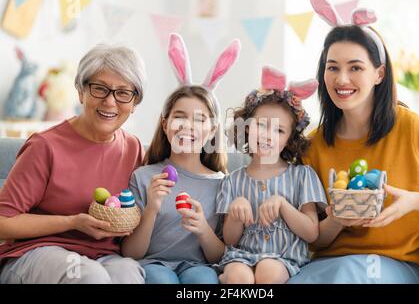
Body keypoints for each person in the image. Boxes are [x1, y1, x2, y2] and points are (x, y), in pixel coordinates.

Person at [288, 0, 419, 284]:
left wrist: (413, 201)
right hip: (327, 266)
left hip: (396, 265)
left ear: (379, 73)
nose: (342, 79)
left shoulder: (412, 129)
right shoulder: (312, 146)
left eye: (356, 67)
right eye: (333, 67)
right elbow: (314, 241)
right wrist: (337, 219)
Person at [0, 44, 148, 284]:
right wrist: (72, 222)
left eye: (123, 93)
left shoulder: (134, 149)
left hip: (104, 255)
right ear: (81, 92)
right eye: (100, 89)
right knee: (89, 276)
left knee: (128, 274)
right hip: (37, 252)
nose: (110, 102)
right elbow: (3, 221)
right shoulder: (45, 146)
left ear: (134, 103)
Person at [121, 33, 241, 284]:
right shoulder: (143, 177)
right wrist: (152, 207)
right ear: (165, 124)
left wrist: (203, 228)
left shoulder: (223, 184)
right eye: (180, 117)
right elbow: (130, 253)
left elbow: (220, 256)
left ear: (212, 129)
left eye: (199, 119)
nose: (188, 126)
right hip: (152, 265)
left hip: (199, 267)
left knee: (203, 281)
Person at [217, 66, 327, 284]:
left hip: (284, 259)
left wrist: (283, 205)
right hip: (241, 257)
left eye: (279, 130)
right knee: (238, 276)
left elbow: (311, 233)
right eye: (262, 125)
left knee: (268, 270)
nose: (268, 135)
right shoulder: (232, 180)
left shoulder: (302, 176)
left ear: (289, 139)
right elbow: (230, 239)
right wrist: (236, 212)